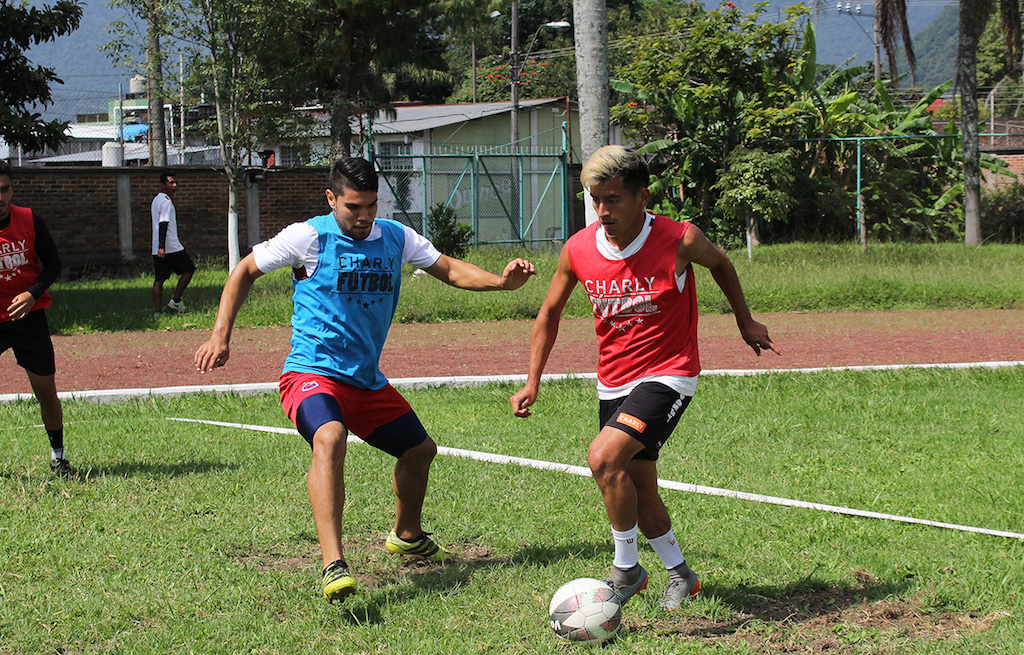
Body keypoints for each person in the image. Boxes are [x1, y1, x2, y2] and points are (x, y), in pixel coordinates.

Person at [194, 156, 536, 603]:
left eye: (371, 205)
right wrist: (221, 335)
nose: (363, 216)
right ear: (332, 198)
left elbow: (448, 268)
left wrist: (500, 283)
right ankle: (333, 564)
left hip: (366, 382)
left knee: (420, 451)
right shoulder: (309, 236)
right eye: (353, 206)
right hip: (311, 373)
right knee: (330, 438)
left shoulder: (395, 237)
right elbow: (244, 270)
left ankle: (407, 535)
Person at [510, 145, 776, 610]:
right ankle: (681, 575)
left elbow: (721, 264)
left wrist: (744, 321)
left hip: (669, 374)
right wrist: (533, 380)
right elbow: (548, 313)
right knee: (636, 483)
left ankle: (626, 570)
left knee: (602, 457)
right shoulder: (578, 248)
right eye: (595, 199)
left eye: (613, 198)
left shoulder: (680, 238)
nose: (603, 210)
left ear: (642, 197)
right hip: (613, 381)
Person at [0, 159, 76, 479]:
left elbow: (54, 265)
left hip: (28, 319)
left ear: (12, 189)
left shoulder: (29, 219)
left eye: (4, 189)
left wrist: (32, 294)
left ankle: (58, 458)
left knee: (45, 389)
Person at [151, 170, 195, 315]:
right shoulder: (166, 202)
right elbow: (163, 224)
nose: (174, 186)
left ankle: (158, 311)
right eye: (171, 183)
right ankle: (175, 301)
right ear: (163, 185)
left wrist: (158, 246)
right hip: (171, 247)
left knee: (159, 280)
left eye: (176, 183)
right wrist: (162, 247)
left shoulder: (156, 200)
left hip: (157, 247)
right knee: (189, 269)